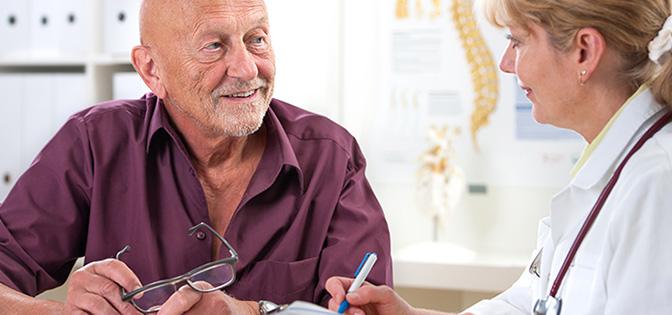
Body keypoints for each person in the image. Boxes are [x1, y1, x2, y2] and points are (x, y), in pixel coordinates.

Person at [326, 0, 672, 314]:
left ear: (584, 50)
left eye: (516, 41)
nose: (506, 63)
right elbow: (535, 305)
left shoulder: (667, 191)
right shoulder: (614, 169)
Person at [0, 0, 392, 314]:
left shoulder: (332, 158)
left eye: (256, 39)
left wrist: (253, 312)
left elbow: (362, 306)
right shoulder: (94, 143)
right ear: (151, 69)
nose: (246, 68)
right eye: (214, 46)